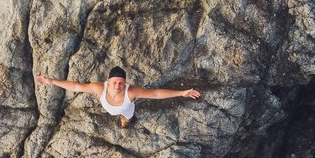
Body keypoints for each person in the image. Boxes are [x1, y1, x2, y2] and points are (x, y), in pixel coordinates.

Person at [36, 66, 201, 128]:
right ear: (108, 82)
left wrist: (182, 93)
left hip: (126, 109)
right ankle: (120, 118)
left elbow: (155, 93)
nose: (118, 86)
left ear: (125, 83)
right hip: (109, 108)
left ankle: (124, 123)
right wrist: (51, 81)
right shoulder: (98, 88)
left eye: (121, 83)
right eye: (114, 83)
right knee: (114, 113)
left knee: (125, 119)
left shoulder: (131, 92)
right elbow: (76, 86)